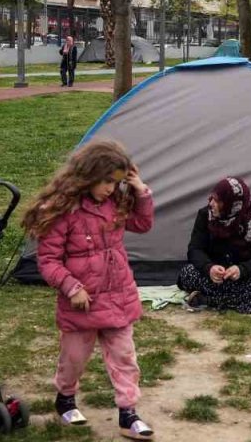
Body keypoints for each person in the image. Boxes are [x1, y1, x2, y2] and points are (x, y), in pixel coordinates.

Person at [20, 140, 156, 439]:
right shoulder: (63, 210)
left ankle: (128, 414)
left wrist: (139, 189)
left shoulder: (116, 204)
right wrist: (71, 287)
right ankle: (65, 398)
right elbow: (49, 259)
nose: (111, 188)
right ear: (90, 174)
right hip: (82, 303)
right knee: (74, 359)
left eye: (117, 182)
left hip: (118, 296)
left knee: (124, 357)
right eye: (107, 181)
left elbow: (143, 224)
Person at [177, 177, 251, 314]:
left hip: (243, 278)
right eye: (211, 198)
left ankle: (209, 300)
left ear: (232, 205)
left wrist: (242, 270)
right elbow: (195, 249)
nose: (211, 204)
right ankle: (238, 301)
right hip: (214, 279)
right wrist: (209, 268)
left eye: (217, 201)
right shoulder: (205, 215)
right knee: (187, 273)